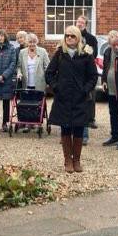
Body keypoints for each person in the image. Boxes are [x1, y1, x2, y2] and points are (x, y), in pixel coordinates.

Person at [46, 25, 98, 173]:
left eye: (72, 36)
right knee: (66, 128)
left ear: (78, 38)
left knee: (79, 129)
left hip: (80, 99)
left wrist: (85, 89)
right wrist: (56, 87)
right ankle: (67, 160)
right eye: (67, 35)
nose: (69, 38)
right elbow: (49, 73)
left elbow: (93, 76)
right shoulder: (60, 54)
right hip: (63, 98)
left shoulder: (86, 56)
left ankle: (77, 160)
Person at [77, 15, 99, 139]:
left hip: (87, 70)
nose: (79, 24)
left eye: (81, 22)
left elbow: (94, 53)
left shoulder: (91, 38)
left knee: (90, 96)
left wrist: (85, 49)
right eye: (78, 22)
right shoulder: (71, 36)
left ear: (85, 24)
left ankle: (91, 118)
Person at [0, 29, 17, 132]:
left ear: (5, 37)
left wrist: (4, 75)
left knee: (6, 102)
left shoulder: (11, 49)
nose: (1, 38)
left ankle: (5, 123)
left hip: (7, 79)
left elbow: (13, 63)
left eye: (3, 36)